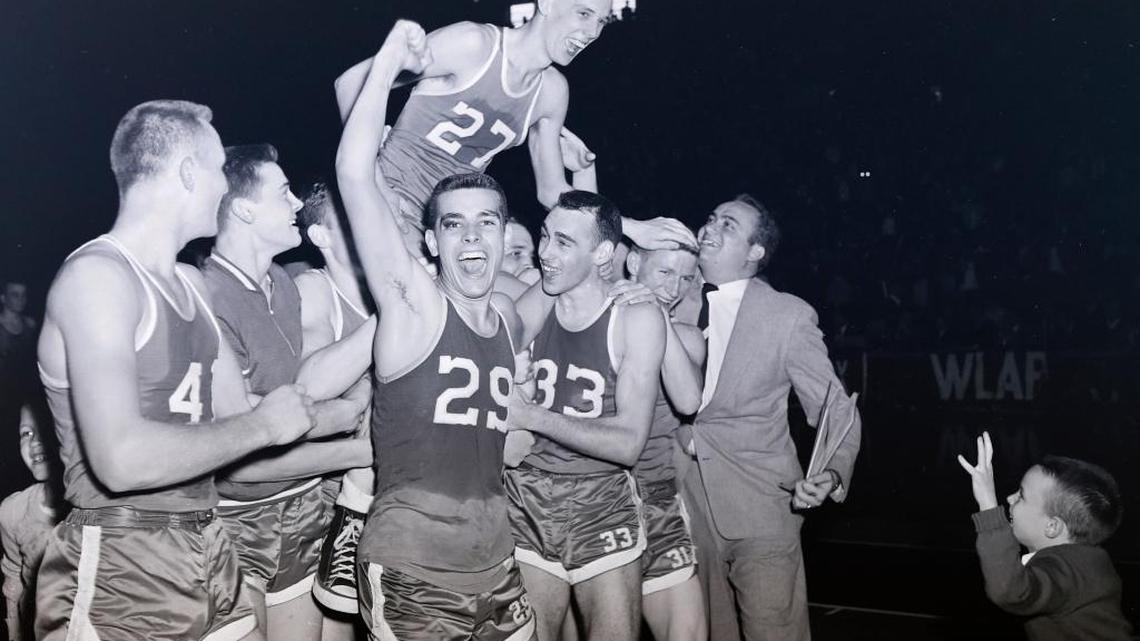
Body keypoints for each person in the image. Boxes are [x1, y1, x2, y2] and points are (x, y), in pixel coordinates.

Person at [34, 99, 319, 641]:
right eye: (216, 171)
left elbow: (240, 414)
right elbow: (121, 460)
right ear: (189, 172)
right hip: (122, 554)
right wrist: (265, 425)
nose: (223, 188)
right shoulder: (98, 278)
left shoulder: (190, 282)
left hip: (209, 539)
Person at [337, 22, 534, 640]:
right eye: (453, 226)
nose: (472, 238)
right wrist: (391, 56)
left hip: (499, 563)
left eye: (486, 224)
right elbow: (355, 171)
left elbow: (576, 276)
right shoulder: (413, 305)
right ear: (430, 240)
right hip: (415, 568)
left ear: (506, 236)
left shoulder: (510, 320)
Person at [204, 145, 374, 641]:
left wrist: (340, 406)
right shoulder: (208, 295)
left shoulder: (284, 281)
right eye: (284, 193)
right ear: (244, 208)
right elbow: (243, 460)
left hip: (303, 504)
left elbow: (299, 408)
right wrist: (354, 432)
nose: (298, 203)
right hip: (237, 519)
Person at [678, 194, 861, 641]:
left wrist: (831, 475)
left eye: (729, 225)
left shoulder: (787, 316)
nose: (710, 229)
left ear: (755, 253)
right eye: (711, 218)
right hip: (684, 507)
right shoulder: (668, 294)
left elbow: (837, 408)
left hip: (762, 506)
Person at [504, 190, 667, 641]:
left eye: (563, 242)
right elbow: (491, 338)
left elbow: (629, 442)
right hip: (528, 496)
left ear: (601, 254)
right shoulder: (540, 296)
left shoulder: (635, 317)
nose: (545, 252)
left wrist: (532, 415)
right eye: (544, 236)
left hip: (601, 500)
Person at [333, 0, 612, 241]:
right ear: (547, 3)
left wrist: (629, 228)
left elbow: (552, 193)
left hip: (443, 226)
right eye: (584, 14)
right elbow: (349, 84)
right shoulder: (473, 44)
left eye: (602, 22)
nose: (593, 32)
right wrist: (377, 185)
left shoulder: (552, 91)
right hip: (387, 199)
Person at [291, 182, 376, 628]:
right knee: (336, 626)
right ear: (320, 235)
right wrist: (394, 312)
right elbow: (312, 384)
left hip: (403, 491)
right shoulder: (314, 286)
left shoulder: (392, 278)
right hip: (330, 495)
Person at [958, 433, 1133, 641]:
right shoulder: (1085, 562)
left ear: (1052, 526)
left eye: (1021, 496)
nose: (1009, 498)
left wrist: (988, 504)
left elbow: (1009, 590)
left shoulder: (1070, 570)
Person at [624, 244, 707, 641]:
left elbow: (689, 399)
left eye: (686, 278)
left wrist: (656, 311)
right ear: (635, 263)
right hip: (591, 496)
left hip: (656, 496)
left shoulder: (687, 338)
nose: (675, 287)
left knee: (687, 630)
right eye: (665, 273)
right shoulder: (593, 316)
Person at [1, 400, 62, 641]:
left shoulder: (95, 508)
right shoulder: (12, 511)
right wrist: (15, 634)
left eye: (46, 427)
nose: (35, 440)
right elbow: (13, 577)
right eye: (26, 433)